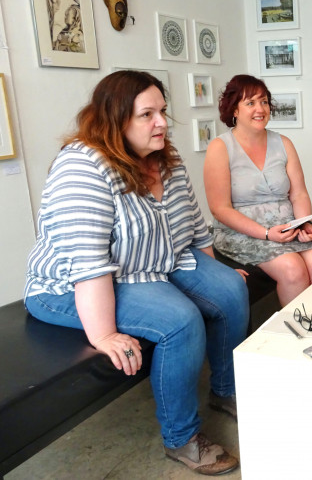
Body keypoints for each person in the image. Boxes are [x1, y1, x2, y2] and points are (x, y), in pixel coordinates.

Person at [24, 71, 248, 476]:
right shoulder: (83, 167)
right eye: (147, 114)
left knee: (231, 287)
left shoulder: (166, 161)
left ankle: (227, 390)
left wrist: (216, 275)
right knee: (179, 321)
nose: (161, 122)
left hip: (155, 264)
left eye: (162, 111)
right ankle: (181, 438)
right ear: (115, 121)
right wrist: (104, 334)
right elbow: (89, 266)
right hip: (74, 286)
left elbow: (196, 231)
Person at [204, 74, 312, 306]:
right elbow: (219, 208)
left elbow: (299, 193)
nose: (260, 109)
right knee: (293, 269)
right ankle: (296, 335)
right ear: (234, 110)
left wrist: (302, 222)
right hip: (242, 232)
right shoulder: (220, 147)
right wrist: (265, 233)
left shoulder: (283, 143)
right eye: (250, 103)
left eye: (263, 101)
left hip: (286, 226)